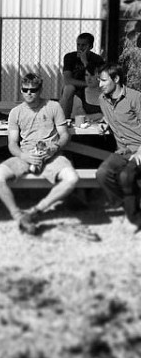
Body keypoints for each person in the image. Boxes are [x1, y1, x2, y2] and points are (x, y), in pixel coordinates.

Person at [0, 73, 79, 235]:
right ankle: (18, 216)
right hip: (26, 155)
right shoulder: (15, 112)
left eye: (33, 90)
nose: (29, 93)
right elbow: (12, 144)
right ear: (21, 91)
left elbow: (65, 135)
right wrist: (24, 156)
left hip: (51, 155)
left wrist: (54, 148)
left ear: (40, 89)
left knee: (72, 178)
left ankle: (35, 211)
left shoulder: (53, 106)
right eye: (25, 90)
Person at [95, 62, 141, 233]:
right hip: (122, 150)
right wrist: (104, 124)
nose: (99, 85)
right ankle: (130, 207)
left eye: (103, 80)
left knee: (126, 176)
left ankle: (135, 218)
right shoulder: (102, 99)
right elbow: (111, 117)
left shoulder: (135, 98)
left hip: (139, 148)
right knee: (102, 174)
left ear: (116, 79)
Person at [59, 33, 103, 119]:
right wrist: (87, 84)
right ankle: (65, 121)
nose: (80, 48)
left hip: (91, 88)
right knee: (69, 88)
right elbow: (67, 80)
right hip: (76, 87)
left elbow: (98, 78)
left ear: (90, 46)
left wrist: (85, 62)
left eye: (83, 45)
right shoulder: (70, 57)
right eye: (78, 44)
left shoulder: (97, 59)